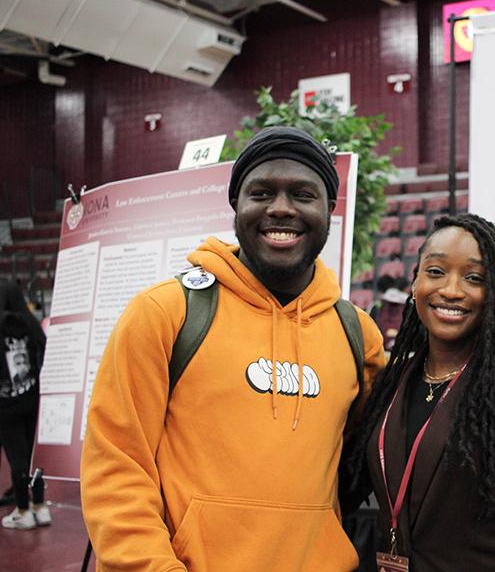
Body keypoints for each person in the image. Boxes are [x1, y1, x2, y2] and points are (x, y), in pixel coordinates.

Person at [81, 126, 385, 571]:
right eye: (261, 192)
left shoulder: (357, 334)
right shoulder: (164, 313)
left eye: (303, 194)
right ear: (235, 205)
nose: (281, 209)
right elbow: (116, 465)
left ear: (330, 210)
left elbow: (377, 457)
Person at [343, 213, 495, 571]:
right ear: (415, 282)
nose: (451, 290)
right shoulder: (393, 382)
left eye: (474, 278)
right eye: (436, 271)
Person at [0, 281, 50, 530]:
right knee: (33, 454)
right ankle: (40, 506)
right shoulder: (29, 323)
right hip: (32, 397)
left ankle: (22, 509)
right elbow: (45, 348)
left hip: (6, 404)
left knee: (16, 456)